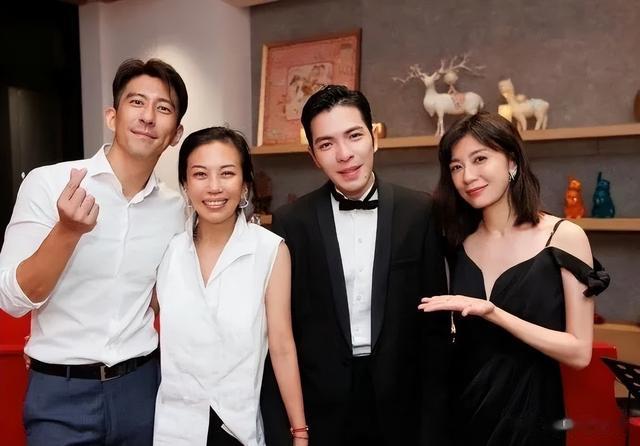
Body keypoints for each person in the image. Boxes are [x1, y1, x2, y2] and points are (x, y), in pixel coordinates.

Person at [0, 58, 188, 445]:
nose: (148, 116)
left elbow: (162, 297)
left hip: (142, 388)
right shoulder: (48, 183)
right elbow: (13, 300)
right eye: (136, 102)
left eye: (163, 108)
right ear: (112, 116)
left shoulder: (175, 208)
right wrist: (67, 231)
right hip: (61, 391)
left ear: (176, 134)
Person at [260, 85, 451, 445]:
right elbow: (286, 330)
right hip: (323, 408)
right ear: (313, 155)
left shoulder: (419, 211)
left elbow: (435, 330)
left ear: (374, 137)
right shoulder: (291, 222)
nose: (344, 154)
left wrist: (434, 426)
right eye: (326, 144)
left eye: (354, 136)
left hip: (402, 405)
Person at [419, 112, 610, 446]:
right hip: (462, 412)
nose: (467, 176)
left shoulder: (563, 236)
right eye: (456, 166)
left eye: (480, 159)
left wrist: (494, 313)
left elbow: (579, 352)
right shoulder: (456, 240)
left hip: (530, 415)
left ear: (512, 161)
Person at [152, 127, 307, 446]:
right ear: (185, 184)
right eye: (200, 174)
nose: (214, 187)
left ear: (245, 184)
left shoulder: (270, 250)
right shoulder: (168, 250)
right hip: (174, 428)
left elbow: (281, 346)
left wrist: (299, 431)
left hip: (237, 428)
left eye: (227, 173)